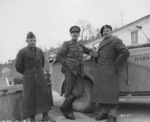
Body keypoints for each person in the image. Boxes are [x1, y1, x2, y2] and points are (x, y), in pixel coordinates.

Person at [15, 32, 56, 122]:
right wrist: (27, 73)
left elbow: (42, 63)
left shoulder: (40, 51)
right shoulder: (22, 52)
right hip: (29, 78)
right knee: (29, 98)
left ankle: (45, 116)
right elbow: (18, 66)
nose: (33, 42)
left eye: (34, 40)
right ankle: (32, 118)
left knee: (44, 96)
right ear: (27, 41)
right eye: (31, 41)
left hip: (40, 77)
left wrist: (38, 71)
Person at [92, 25, 130, 122]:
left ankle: (113, 116)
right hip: (101, 70)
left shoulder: (115, 40)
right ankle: (104, 113)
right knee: (102, 93)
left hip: (110, 70)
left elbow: (125, 52)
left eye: (107, 30)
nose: (105, 32)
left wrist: (117, 65)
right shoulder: (101, 43)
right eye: (103, 31)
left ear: (111, 31)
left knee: (111, 93)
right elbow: (100, 55)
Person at [55, 25, 94, 120]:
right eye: (73, 33)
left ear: (79, 34)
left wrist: (90, 55)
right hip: (70, 70)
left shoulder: (80, 45)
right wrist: (67, 64)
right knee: (69, 90)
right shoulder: (66, 44)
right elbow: (59, 56)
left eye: (77, 33)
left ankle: (64, 106)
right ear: (70, 34)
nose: (75, 34)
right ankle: (69, 111)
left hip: (79, 70)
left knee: (80, 89)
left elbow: (90, 51)